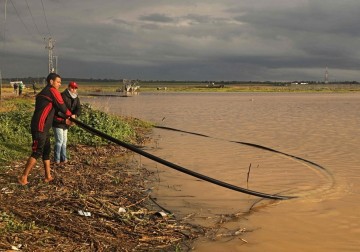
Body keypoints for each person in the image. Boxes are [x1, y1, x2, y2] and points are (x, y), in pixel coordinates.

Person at [18, 73, 73, 185]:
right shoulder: (52, 91)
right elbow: (62, 106)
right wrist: (70, 115)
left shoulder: (45, 93)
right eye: (58, 82)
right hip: (40, 126)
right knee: (37, 151)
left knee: (46, 151)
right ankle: (23, 177)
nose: (60, 84)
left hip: (44, 127)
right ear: (51, 82)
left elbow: (54, 112)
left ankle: (48, 176)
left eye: (60, 82)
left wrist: (65, 120)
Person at [52, 81, 81, 165]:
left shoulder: (76, 97)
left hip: (67, 122)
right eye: (72, 87)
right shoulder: (62, 95)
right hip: (58, 121)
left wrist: (75, 115)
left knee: (64, 141)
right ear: (68, 87)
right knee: (59, 141)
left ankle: (64, 158)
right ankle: (56, 160)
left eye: (75, 88)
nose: (73, 89)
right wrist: (66, 117)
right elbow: (58, 110)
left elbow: (78, 109)